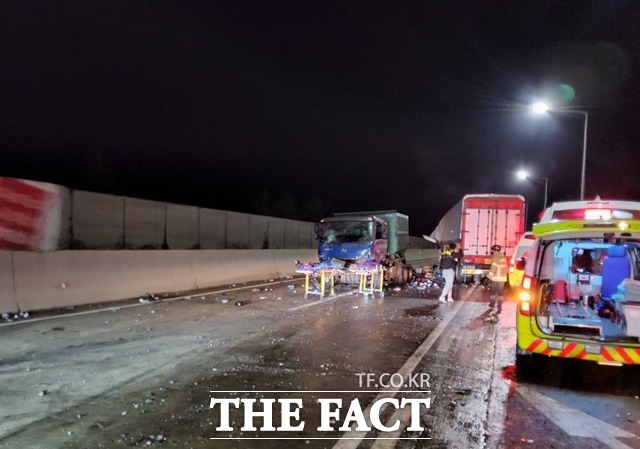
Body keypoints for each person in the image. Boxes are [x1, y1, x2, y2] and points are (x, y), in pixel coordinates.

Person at [487, 244, 508, 314]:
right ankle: (499, 305)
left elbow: (493, 268)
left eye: (492, 249)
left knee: (493, 292)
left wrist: (489, 276)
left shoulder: (495, 257)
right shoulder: (503, 257)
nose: (491, 251)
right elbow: (506, 268)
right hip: (502, 278)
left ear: (494, 250)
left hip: (496, 278)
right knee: (500, 293)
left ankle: (492, 304)